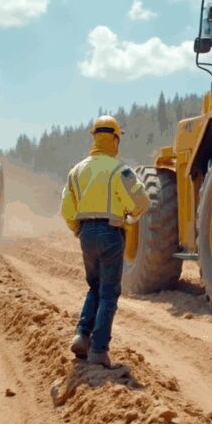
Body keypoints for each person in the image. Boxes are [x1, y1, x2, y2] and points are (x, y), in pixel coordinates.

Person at [60, 115, 150, 368]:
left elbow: (67, 209)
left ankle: (82, 334)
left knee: (95, 286)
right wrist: (130, 217)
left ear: (94, 138)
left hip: (86, 234)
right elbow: (142, 201)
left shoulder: (76, 171)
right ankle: (99, 350)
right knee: (109, 292)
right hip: (111, 233)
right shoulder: (119, 170)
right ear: (115, 139)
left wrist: (78, 229)